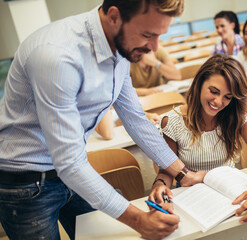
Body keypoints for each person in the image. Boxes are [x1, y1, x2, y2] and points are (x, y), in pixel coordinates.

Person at [0, 1, 206, 240]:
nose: (153, 47)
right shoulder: (57, 55)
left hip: (73, 170)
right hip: (25, 183)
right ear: (114, 16)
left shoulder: (122, 45)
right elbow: (68, 162)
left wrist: (183, 174)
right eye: (148, 35)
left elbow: (136, 119)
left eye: (159, 35)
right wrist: (140, 221)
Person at [149, 54, 247, 223]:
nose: (218, 101)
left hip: (230, 193)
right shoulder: (173, 122)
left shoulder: (236, 116)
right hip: (192, 197)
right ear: (200, 84)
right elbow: (166, 170)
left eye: (228, 96)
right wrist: (160, 185)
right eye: (214, 91)